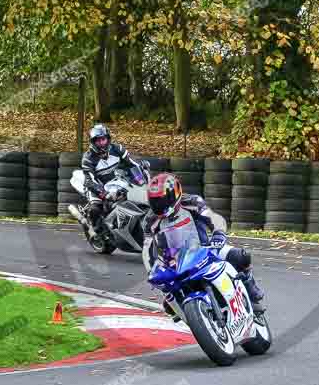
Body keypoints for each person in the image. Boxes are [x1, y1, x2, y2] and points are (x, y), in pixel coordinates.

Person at [142, 173, 265, 313]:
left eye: (164, 199)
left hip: (205, 249)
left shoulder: (192, 202)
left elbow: (213, 218)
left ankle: (250, 287)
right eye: (155, 201)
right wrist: (151, 272)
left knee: (240, 256)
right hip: (174, 263)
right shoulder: (149, 221)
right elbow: (147, 249)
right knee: (169, 305)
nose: (160, 205)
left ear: (175, 193)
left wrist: (218, 234)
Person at [81, 124, 143, 236]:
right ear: (93, 142)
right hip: (96, 187)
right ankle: (94, 228)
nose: (101, 143)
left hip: (117, 183)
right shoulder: (88, 158)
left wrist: (141, 177)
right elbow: (90, 180)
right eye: (98, 141)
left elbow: (132, 164)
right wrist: (103, 193)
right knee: (95, 208)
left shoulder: (117, 149)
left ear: (108, 139)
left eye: (103, 139)